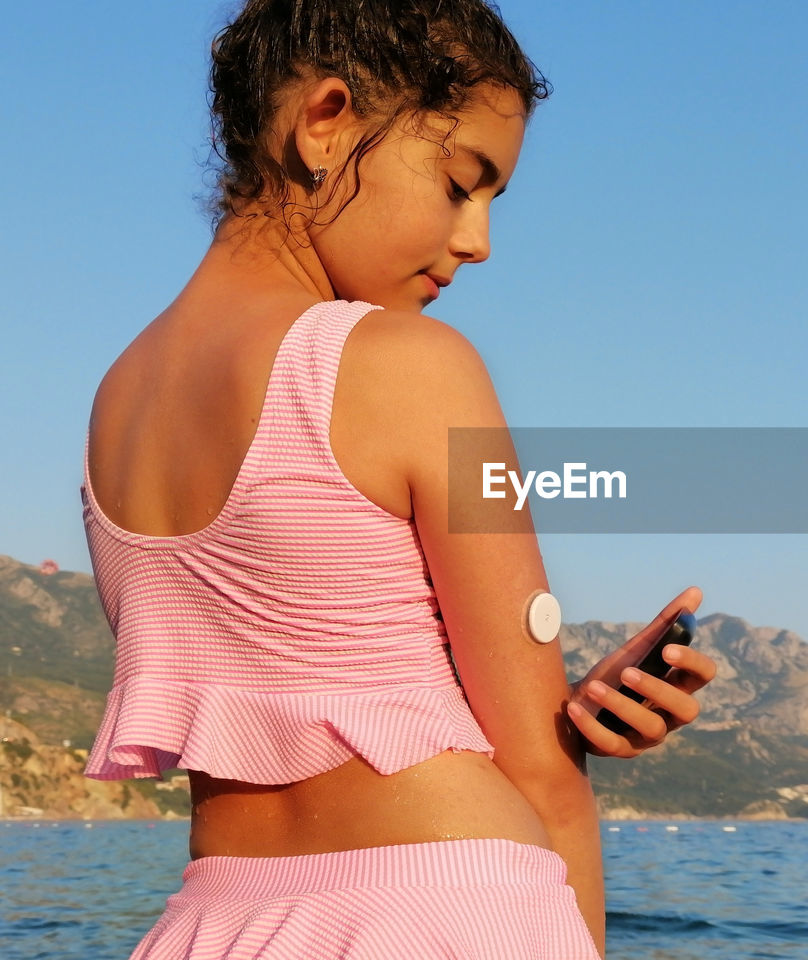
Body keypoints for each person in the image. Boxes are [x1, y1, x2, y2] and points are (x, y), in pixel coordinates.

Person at [78, 2, 716, 957]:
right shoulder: (411, 365)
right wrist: (561, 744)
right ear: (326, 120)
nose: (478, 240)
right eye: (463, 183)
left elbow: (307, 665)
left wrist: (564, 705)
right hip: (446, 907)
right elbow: (541, 778)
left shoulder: (114, 405)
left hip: (208, 926)